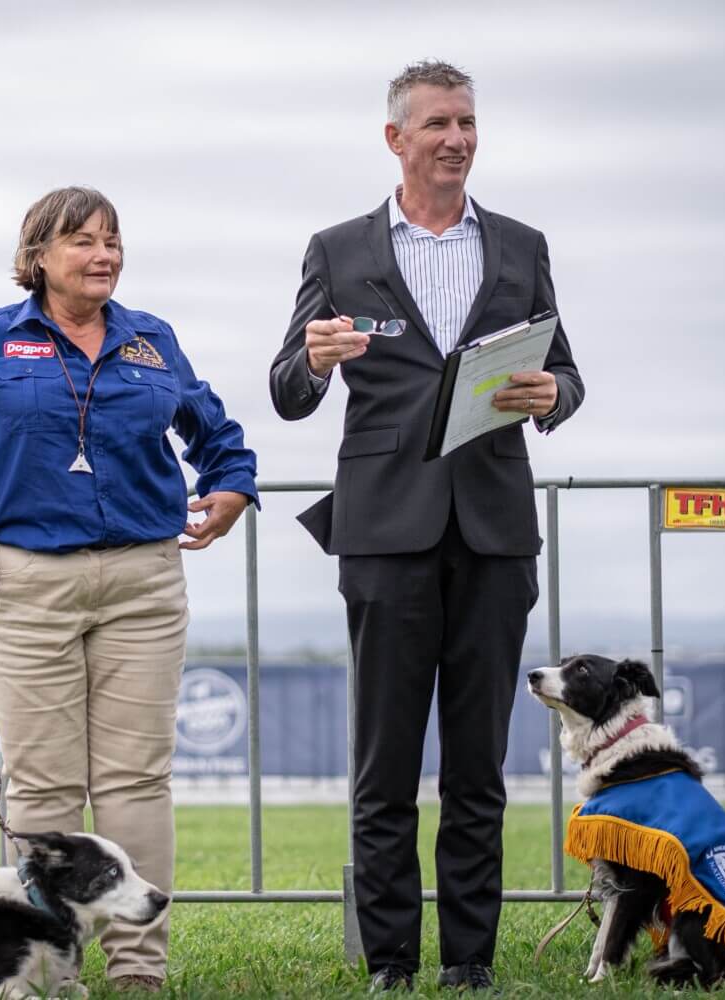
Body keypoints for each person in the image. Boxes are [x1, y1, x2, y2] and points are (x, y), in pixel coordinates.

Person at [0, 186, 258, 991]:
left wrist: (230, 485)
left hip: (144, 579)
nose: (103, 254)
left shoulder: (153, 341)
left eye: (113, 239)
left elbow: (216, 433)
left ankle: (138, 973)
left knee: (136, 781)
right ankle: (44, 967)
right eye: (82, 240)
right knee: (44, 786)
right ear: (37, 256)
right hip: (25, 581)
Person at [269, 61, 583, 992]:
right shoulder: (337, 248)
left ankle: (471, 965)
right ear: (396, 138)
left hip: (494, 531)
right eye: (439, 123)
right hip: (382, 532)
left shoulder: (523, 245)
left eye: (469, 123)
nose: (457, 138)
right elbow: (288, 391)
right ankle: (392, 964)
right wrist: (316, 361)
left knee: (479, 766)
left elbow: (566, 372)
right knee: (386, 766)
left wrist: (551, 393)